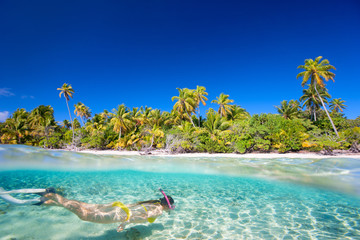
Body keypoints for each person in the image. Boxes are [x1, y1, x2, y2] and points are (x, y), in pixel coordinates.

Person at [0, 187, 175, 232]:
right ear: (166, 205)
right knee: (83, 215)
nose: (171, 209)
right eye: (171, 206)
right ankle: (52, 194)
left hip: (117, 206)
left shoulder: (151, 202)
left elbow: (136, 208)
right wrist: (124, 224)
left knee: (82, 206)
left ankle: (43, 201)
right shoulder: (158, 210)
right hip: (120, 213)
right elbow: (138, 217)